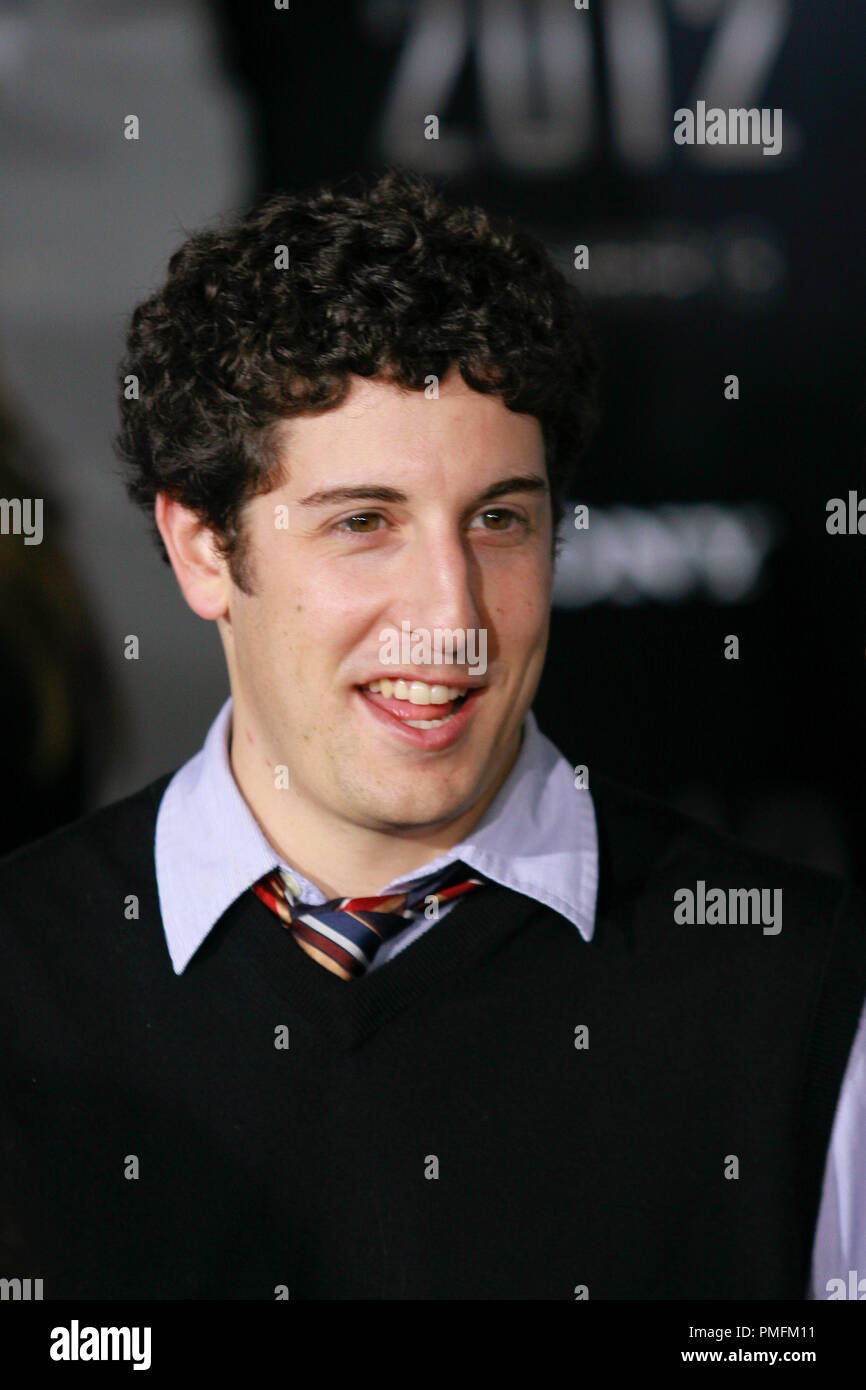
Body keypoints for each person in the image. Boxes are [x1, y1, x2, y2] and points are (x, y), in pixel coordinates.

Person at [1, 169, 863, 1300]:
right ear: (203, 549)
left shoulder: (801, 997)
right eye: (364, 524)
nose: (451, 618)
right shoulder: (21, 976)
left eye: (498, 521)